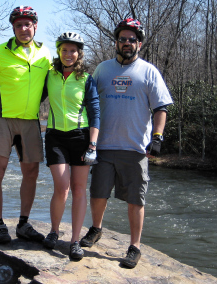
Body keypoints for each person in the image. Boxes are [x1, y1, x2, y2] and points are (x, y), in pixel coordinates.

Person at [79, 18, 173, 268]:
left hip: (135, 148)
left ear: (139, 43)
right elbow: (89, 102)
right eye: (123, 39)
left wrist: (157, 137)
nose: (127, 43)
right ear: (117, 42)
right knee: (98, 193)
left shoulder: (149, 71)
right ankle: (96, 229)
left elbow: (161, 107)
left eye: (132, 39)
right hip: (104, 145)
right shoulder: (103, 69)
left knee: (136, 199)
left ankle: (134, 246)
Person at [0, 6, 52, 244]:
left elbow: (56, 86)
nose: (23, 29)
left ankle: (23, 224)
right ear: (13, 28)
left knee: (31, 172)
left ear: (35, 26)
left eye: (28, 24)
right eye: (18, 25)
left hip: (30, 121)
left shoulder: (46, 54)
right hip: (2, 121)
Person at [42, 32, 100, 260]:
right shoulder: (49, 76)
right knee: (61, 186)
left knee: (78, 189)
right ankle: (54, 231)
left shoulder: (86, 79)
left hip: (81, 137)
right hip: (55, 136)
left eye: (73, 51)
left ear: (79, 54)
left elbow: (95, 113)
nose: (68, 54)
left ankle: (75, 241)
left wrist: (93, 145)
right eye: (64, 50)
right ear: (59, 51)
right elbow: (31, 96)